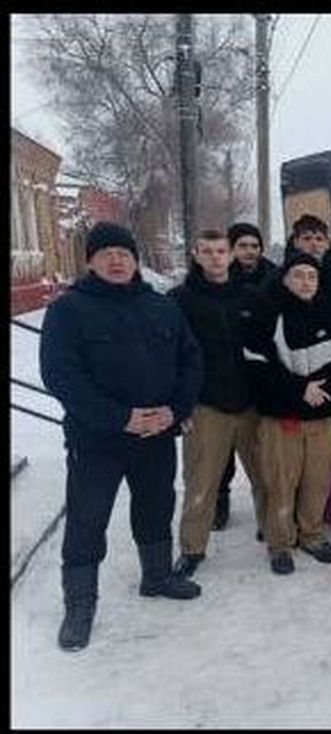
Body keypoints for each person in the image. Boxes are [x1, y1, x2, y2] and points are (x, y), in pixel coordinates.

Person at [40, 222, 204, 652]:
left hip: (156, 435)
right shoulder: (68, 311)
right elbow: (61, 376)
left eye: (124, 253)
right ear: (90, 262)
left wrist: (175, 410)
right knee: (87, 519)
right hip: (97, 441)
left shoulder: (162, 307)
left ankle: (157, 576)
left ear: (135, 260)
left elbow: (191, 361)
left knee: (156, 505)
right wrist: (120, 418)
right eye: (106, 253)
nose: (116, 260)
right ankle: (80, 605)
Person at [243, 251, 331, 575]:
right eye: (298, 275)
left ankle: (312, 534)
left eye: (312, 276)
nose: (306, 282)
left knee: (317, 481)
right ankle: (280, 543)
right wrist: (300, 389)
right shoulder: (268, 312)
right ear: (285, 279)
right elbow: (257, 363)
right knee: (280, 482)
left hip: (325, 416)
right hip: (283, 417)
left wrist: (325, 390)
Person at [168, 230, 271, 578]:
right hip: (205, 406)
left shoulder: (251, 297)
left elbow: (268, 347)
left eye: (221, 251)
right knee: (201, 482)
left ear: (230, 255)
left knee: (267, 477)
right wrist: (180, 405)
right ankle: (192, 549)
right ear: (196, 255)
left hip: (251, 404)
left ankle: (275, 535)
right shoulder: (179, 300)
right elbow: (172, 357)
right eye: (207, 251)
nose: (215, 257)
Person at [210, 221, 277, 532]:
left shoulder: (274, 277)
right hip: (227, 375)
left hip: (262, 376)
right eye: (243, 246)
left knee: (263, 451)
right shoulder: (220, 278)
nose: (250, 251)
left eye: (255, 246)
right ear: (232, 249)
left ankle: (268, 512)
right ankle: (219, 500)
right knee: (222, 451)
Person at [285, 213, 331, 309]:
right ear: (296, 242)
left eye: (319, 239)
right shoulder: (283, 275)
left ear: (327, 244)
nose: (314, 244)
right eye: (307, 239)